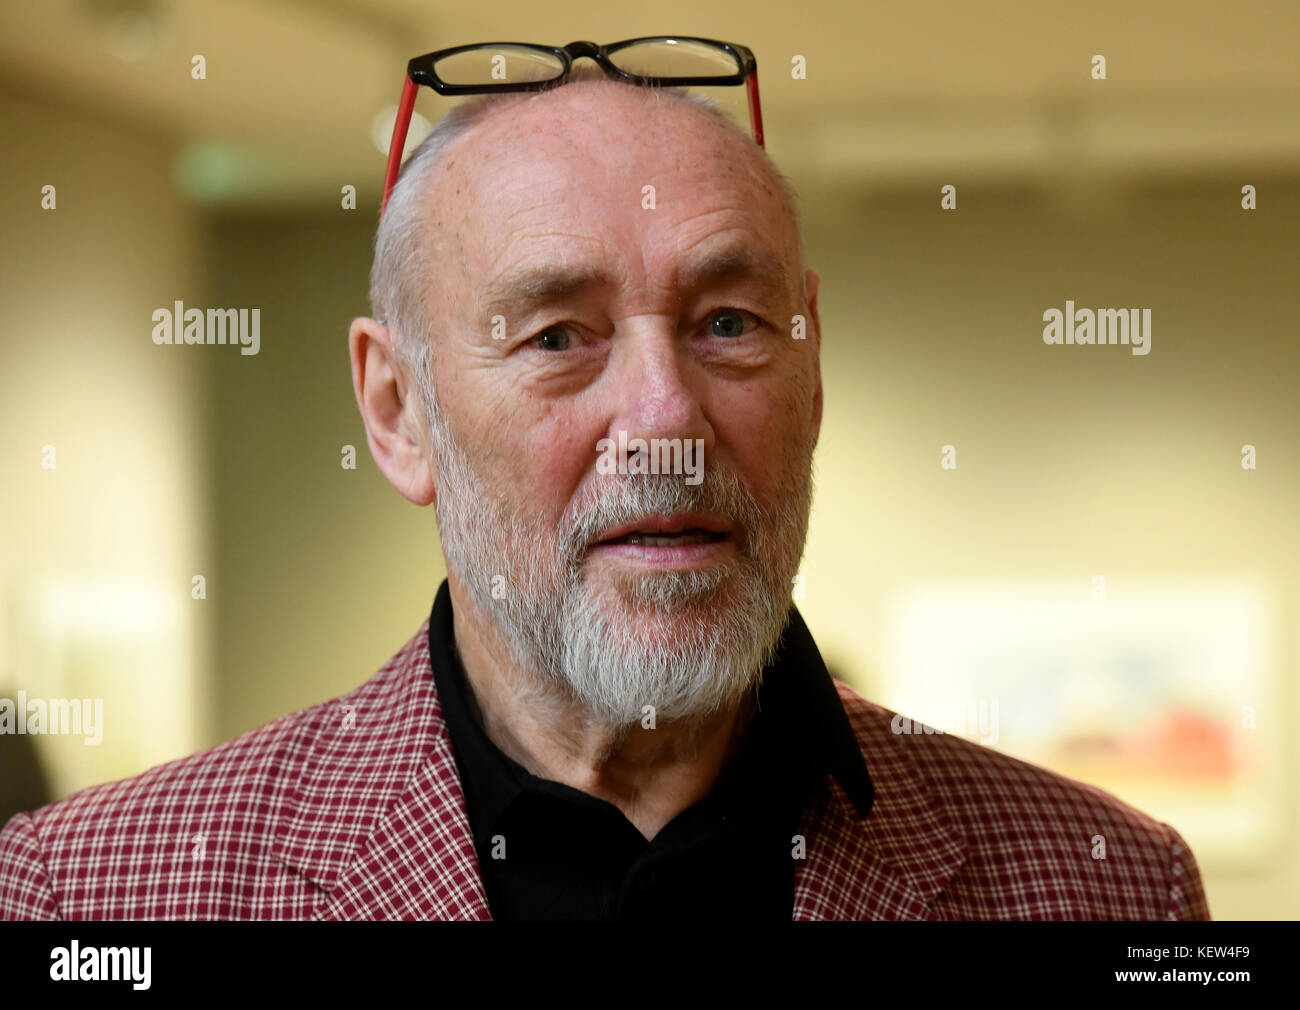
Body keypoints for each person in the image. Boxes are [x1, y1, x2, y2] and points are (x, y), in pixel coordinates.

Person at [0, 70, 1209, 921]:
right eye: (558, 336)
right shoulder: (93, 892)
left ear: (813, 365)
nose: (667, 417)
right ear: (395, 409)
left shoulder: (1107, 883)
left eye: (729, 324)